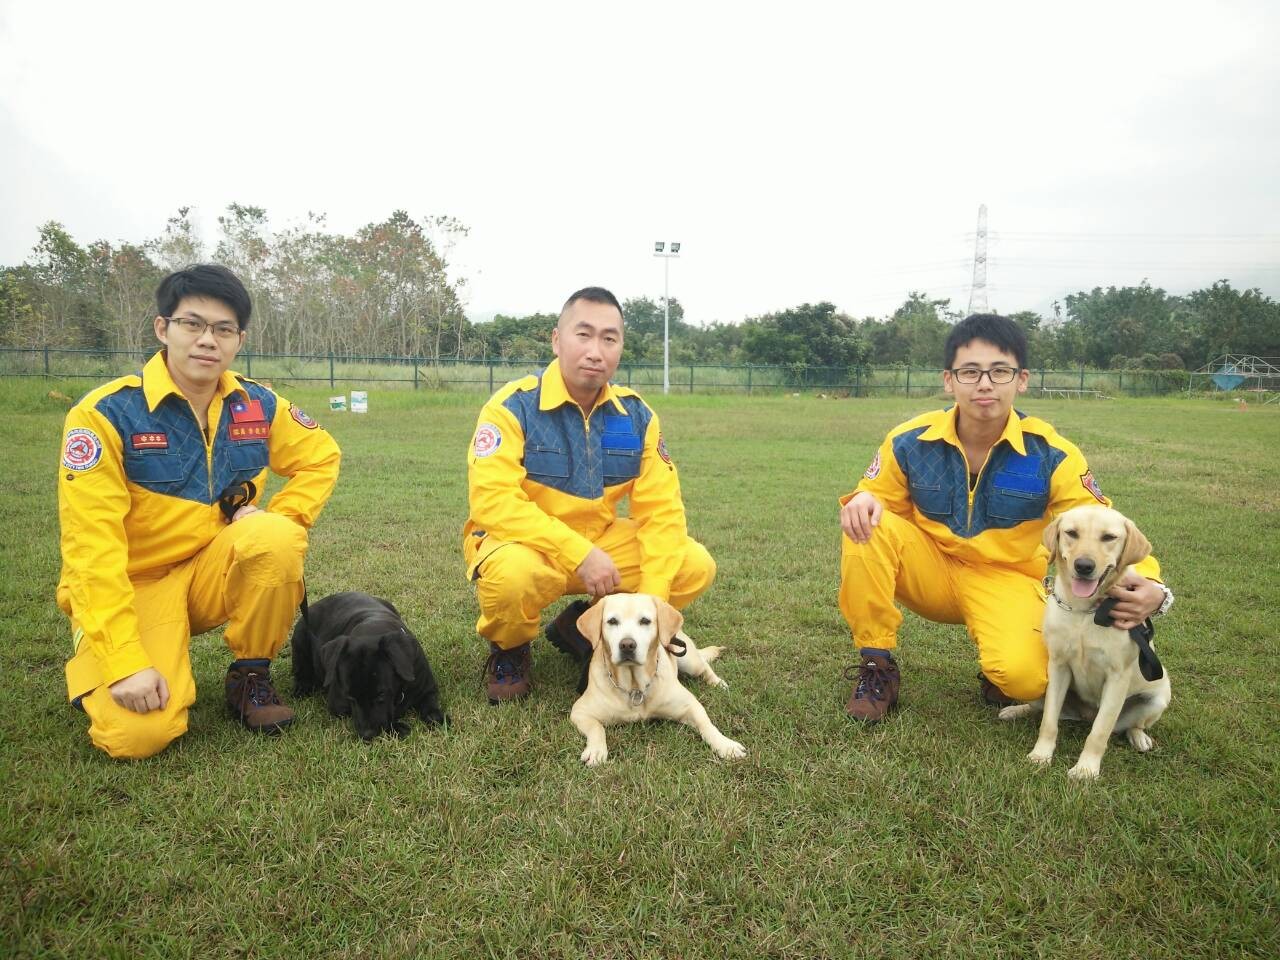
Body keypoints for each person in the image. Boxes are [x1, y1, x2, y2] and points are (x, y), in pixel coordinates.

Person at [57, 264, 341, 759]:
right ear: (162, 328)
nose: (208, 340)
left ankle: (250, 674)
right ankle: (105, 663)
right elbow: (91, 549)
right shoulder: (105, 415)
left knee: (274, 537)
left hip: (210, 569)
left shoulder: (258, 403)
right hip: (135, 584)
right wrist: (125, 663)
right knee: (136, 738)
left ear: (238, 339)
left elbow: (322, 456)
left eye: (223, 329)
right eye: (193, 324)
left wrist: (283, 517)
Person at [837, 313, 1173, 722]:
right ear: (949, 380)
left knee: (1029, 680)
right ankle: (877, 665)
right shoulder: (909, 439)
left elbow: (1103, 524)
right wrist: (863, 498)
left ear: (1022, 379)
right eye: (970, 371)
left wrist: (1154, 585)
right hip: (929, 568)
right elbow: (876, 495)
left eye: (1000, 371)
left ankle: (999, 667)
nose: (984, 383)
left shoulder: (1052, 452)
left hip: (1005, 578)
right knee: (864, 522)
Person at [463, 286, 715, 702]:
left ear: (620, 348)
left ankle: (585, 622)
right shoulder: (511, 407)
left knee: (692, 564)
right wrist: (580, 554)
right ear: (557, 339)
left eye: (609, 338)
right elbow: (493, 502)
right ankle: (510, 649)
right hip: (529, 546)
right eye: (583, 335)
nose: (596, 351)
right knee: (511, 579)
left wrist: (649, 603)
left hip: (602, 545)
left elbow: (663, 514)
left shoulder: (637, 416)